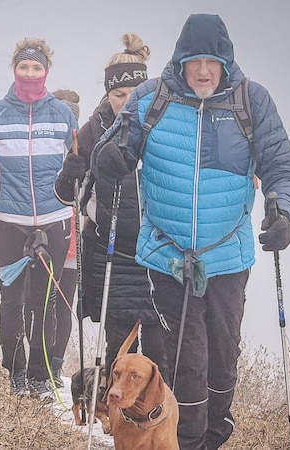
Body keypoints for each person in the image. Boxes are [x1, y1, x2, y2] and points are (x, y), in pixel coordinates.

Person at [93, 14, 290, 449]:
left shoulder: (251, 100)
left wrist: (282, 210)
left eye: (213, 60)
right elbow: (114, 145)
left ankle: (215, 432)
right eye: (194, 60)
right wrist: (110, 158)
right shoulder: (151, 98)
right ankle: (187, 441)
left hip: (227, 255)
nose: (203, 70)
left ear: (226, 62)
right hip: (167, 255)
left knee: (223, 358)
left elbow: (280, 163)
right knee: (186, 358)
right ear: (180, 60)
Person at [0, 37, 78, 401]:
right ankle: (16, 373)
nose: (30, 74)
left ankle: (41, 376)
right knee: (12, 299)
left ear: (46, 71)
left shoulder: (62, 114)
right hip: (5, 224)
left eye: (36, 67)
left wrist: (78, 175)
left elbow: (75, 162)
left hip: (53, 220)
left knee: (43, 302)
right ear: (15, 69)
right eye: (24, 67)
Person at [53, 33, 162, 377]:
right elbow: (65, 195)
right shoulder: (93, 129)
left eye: (135, 94)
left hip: (158, 243)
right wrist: (69, 172)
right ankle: (117, 413)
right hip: (110, 246)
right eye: (118, 95)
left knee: (161, 340)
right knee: (120, 341)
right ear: (107, 94)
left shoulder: (165, 124)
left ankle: (157, 416)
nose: (127, 102)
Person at [50, 89, 81, 388]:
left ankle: (49, 365)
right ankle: (52, 365)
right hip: (71, 244)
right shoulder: (83, 147)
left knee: (47, 305)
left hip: (58, 242)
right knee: (61, 306)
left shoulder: (50, 149)